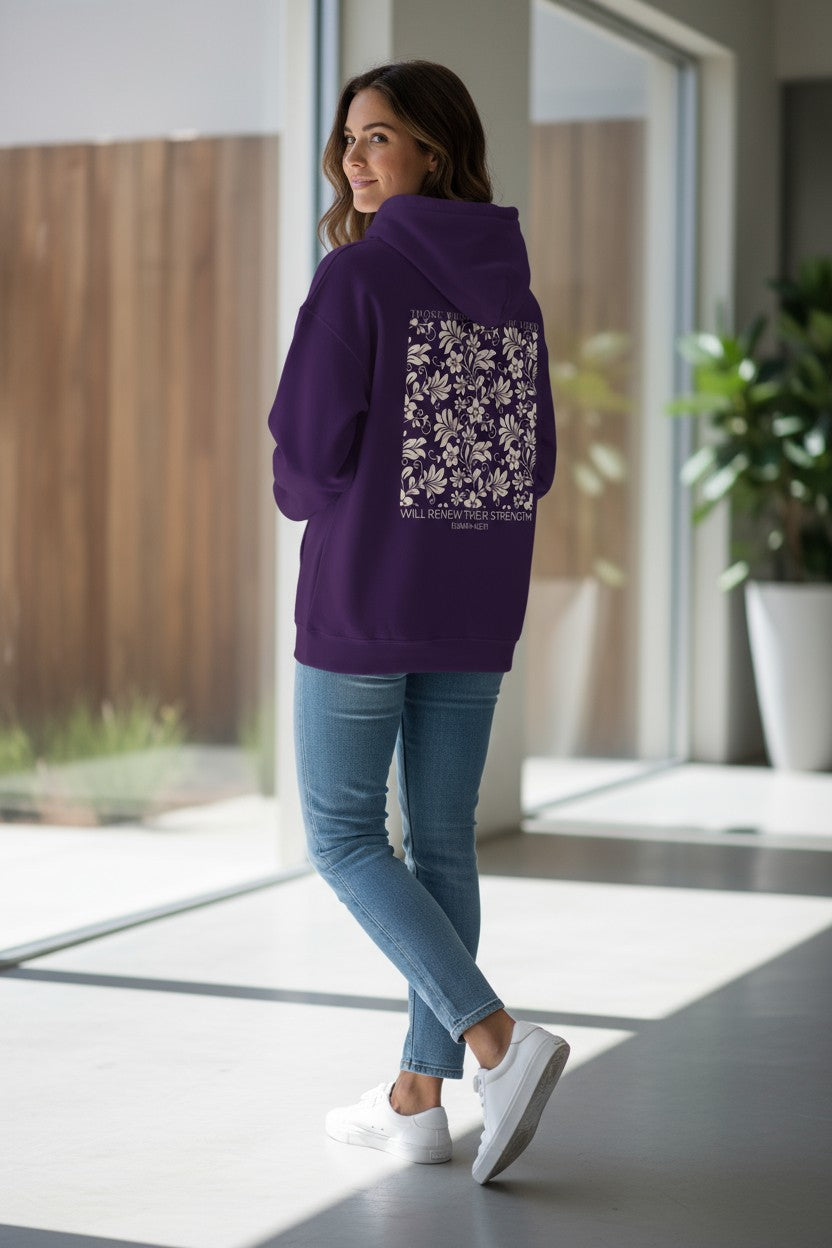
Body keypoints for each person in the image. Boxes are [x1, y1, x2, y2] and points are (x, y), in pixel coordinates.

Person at [267, 59, 569, 1185]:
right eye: (349, 138)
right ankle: (413, 1098)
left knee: (345, 836)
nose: (353, 157)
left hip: (362, 598)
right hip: (474, 605)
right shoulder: (514, 294)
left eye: (378, 137)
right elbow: (528, 465)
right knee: (440, 839)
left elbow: (306, 450)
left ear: (431, 153)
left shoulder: (359, 278)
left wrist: (317, 502)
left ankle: (496, 1042)